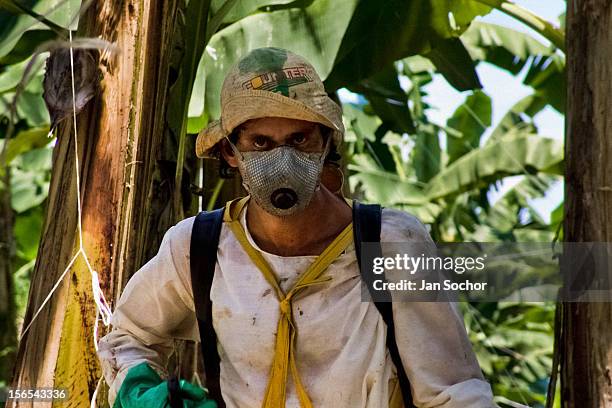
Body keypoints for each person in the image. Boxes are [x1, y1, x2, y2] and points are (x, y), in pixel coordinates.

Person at [97, 47, 495, 408]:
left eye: (299, 139)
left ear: (326, 143)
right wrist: (142, 396)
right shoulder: (198, 246)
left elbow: (452, 393)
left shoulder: (389, 243)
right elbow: (129, 337)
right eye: (261, 143)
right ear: (230, 153)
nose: (282, 160)